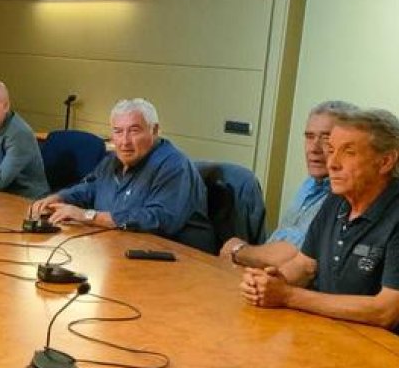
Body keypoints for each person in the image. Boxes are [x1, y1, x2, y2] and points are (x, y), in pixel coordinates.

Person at [240, 107, 399, 332]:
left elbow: (386, 310)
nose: (332, 163)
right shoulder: (336, 199)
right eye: (331, 150)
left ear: (385, 162)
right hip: (323, 334)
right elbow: (304, 265)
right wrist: (269, 281)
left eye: (349, 152)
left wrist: (288, 296)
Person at [31, 98, 216, 253]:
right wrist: (59, 198)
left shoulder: (174, 165)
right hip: (121, 250)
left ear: (155, 130)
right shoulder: (113, 160)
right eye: (118, 131)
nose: (124, 141)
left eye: (134, 131)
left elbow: (158, 220)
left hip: (178, 261)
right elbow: (91, 188)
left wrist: (89, 216)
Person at [221, 101, 356, 268]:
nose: (314, 148)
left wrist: (238, 250)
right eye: (309, 137)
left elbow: (293, 258)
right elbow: (279, 242)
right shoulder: (310, 183)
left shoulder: (345, 195)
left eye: (326, 138)